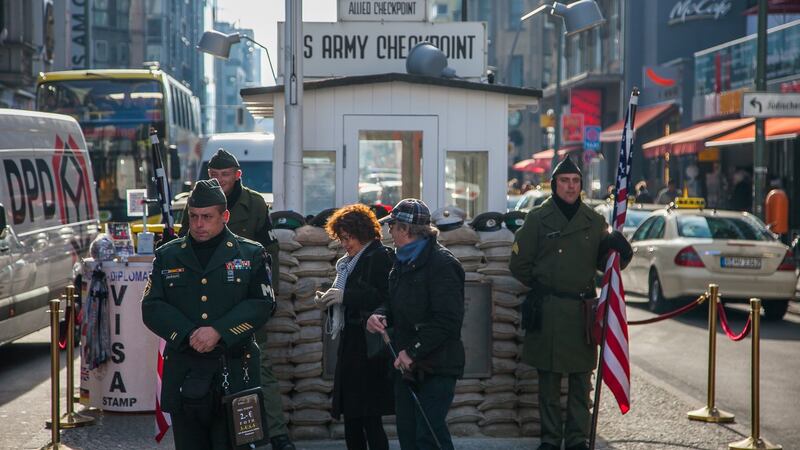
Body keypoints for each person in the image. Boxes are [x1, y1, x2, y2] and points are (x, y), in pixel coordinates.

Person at [141, 179, 274, 449]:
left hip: (235, 369)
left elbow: (263, 303)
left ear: (224, 217)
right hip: (186, 371)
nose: (199, 224)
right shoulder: (168, 256)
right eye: (193, 216)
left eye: (207, 217)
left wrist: (219, 331)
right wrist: (189, 333)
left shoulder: (251, 254)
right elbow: (151, 306)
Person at [509, 158, 632, 450]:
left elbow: (607, 264)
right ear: (554, 184)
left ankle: (577, 440)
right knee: (549, 384)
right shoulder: (538, 218)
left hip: (581, 312)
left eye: (575, 182)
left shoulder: (594, 220)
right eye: (564, 181)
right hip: (549, 309)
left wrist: (621, 251)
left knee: (580, 383)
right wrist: (543, 285)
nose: (570, 186)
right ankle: (550, 440)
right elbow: (519, 263)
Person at [178, 149, 292, 450]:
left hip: (244, 304)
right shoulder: (195, 203)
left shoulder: (253, 203)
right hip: (203, 307)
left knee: (257, 367)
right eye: (213, 175)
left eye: (224, 175)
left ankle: (274, 434)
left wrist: (269, 294)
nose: (219, 180)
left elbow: (270, 253)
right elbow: (181, 249)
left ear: (237, 175)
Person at [366, 199, 465, 450]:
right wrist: (379, 314)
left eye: (392, 227)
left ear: (406, 230)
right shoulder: (400, 261)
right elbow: (392, 300)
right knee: (408, 434)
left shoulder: (443, 264)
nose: (389, 232)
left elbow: (448, 321)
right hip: (406, 364)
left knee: (428, 435)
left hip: (436, 364)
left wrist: (413, 351)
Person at [317, 204, 394, 450]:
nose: (344, 244)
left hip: (368, 348)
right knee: (352, 415)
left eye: (348, 238)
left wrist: (344, 296)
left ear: (362, 233)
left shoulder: (380, 256)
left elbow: (382, 296)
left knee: (368, 416)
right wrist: (329, 301)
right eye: (341, 239)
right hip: (352, 345)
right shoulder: (348, 263)